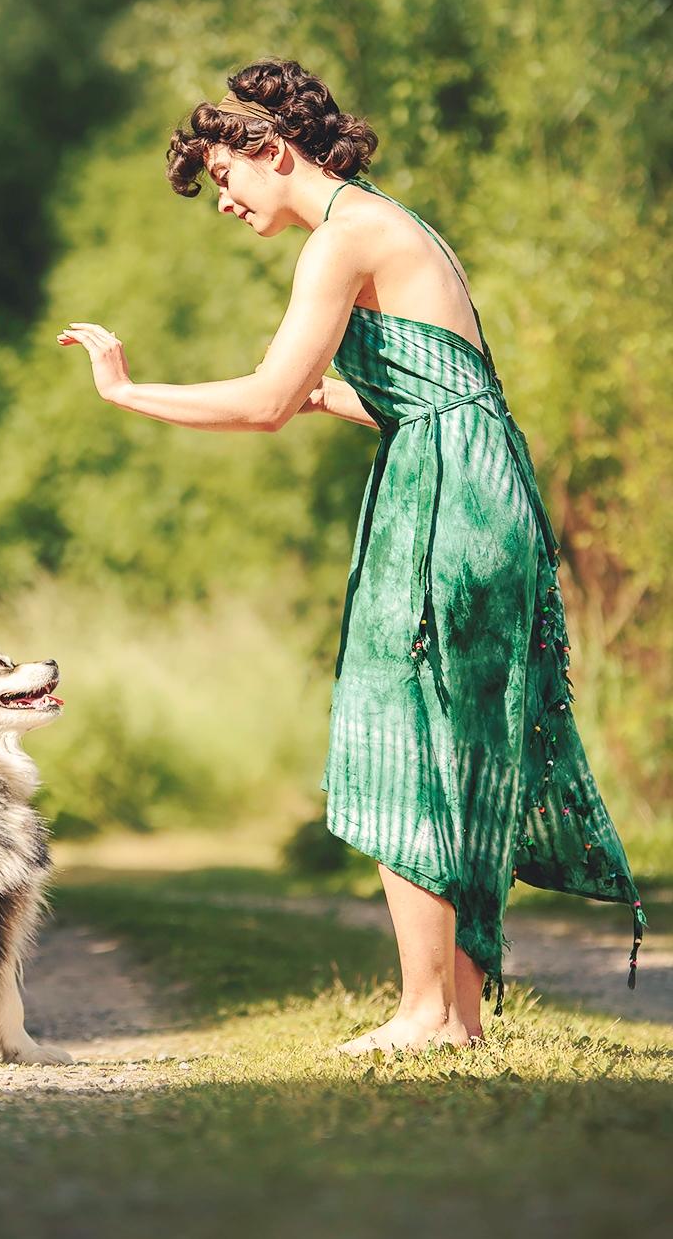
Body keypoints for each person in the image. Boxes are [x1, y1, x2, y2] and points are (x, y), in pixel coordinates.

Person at [56, 56, 646, 1054]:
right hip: (476, 478)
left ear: (268, 149)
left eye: (224, 180)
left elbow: (263, 403)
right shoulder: (390, 222)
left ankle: (425, 1013)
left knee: (396, 724)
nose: (225, 206)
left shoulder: (342, 239)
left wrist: (125, 389)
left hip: (446, 495)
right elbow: (427, 391)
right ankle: (452, 1013)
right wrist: (338, 393)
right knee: (452, 735)